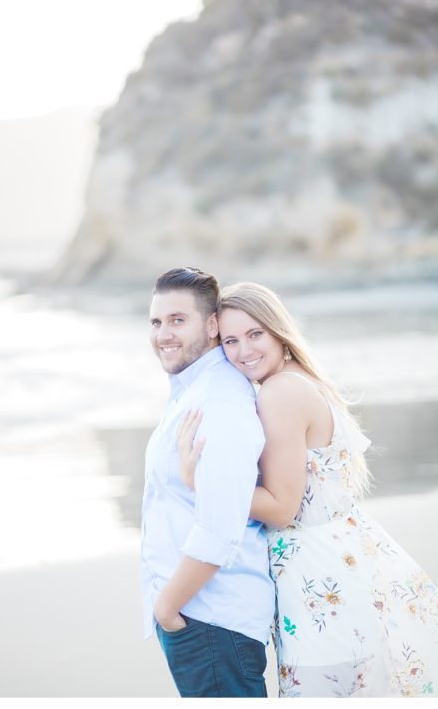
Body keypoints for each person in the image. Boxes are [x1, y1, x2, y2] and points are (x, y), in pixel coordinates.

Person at [177, 281, 438, 697]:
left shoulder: (279, 394)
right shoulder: (301, 379)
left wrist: (202, 484)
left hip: (319, 581)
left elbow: (283, 508)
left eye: (255, 334)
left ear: (278, 331)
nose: (244, 350)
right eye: (230, 340)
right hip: (350, 559)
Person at [141, 267, 274, 697]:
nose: (163, 334)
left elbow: (221, 526)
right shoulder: (191, 390)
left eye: (179, 320)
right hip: (198, 614)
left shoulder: (217, 401)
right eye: (157, 321)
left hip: (210, 619)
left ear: (213, 325)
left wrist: (168, 607)